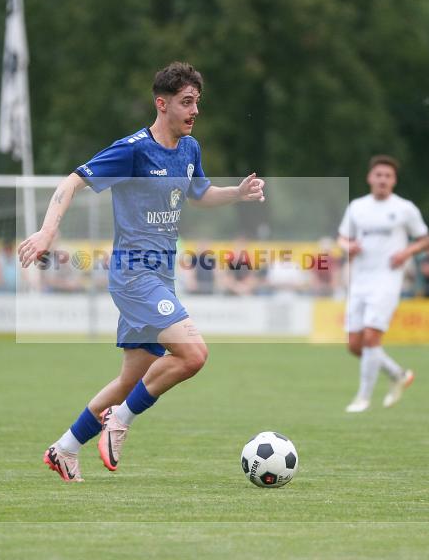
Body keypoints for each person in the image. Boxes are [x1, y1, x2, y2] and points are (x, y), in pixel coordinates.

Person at [18, 62, 265, 482]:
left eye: (197, 103)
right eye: (186, 102)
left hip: (160, 277)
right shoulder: (133, 149)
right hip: (134, 276)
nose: (194, 111)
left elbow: (200, 193)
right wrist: (47, 230)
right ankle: (120, 422)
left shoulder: (190, 149)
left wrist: (237, 194)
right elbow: (72, 181)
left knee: (130, 379)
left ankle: (64, 449)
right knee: (193, 353)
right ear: (161, 103)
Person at [337, 155, 429, 413]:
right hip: (360, 280)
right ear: (370, 178)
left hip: (387, 280)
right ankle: (398, 374)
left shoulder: (404, 208)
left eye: (388, 176)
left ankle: (363, 398)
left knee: (371, 337)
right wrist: (349, 247)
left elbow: (425, 240)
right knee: (355, 345)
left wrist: (406, 253)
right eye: (378, 175)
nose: (383, 180)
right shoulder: (357, 207)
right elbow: (342, 238)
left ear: (394, 181)